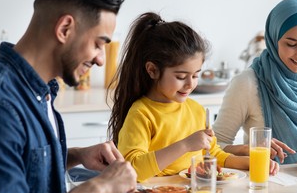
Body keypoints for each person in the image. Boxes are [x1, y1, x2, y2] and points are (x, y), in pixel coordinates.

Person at [0, 0, 137, 193]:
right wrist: (100, 187)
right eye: (99, 43)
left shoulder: (40, 92)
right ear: (65, 29)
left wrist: (78, 156)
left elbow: (24, 165)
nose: (101, 60)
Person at [107, 12, 279, 183]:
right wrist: (185, 145)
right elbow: (132, 170)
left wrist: (251, 163)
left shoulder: (196, 111)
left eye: (196, 75)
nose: (190, 84)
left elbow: (213, 154)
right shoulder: (141, 114)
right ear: (152, 70)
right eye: (181, 77)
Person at [212, 0, 297, 165]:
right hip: (265, 185)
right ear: (273, 39)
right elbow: (211, 148)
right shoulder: (247, 83)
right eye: (291, 44)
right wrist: (250, 149)